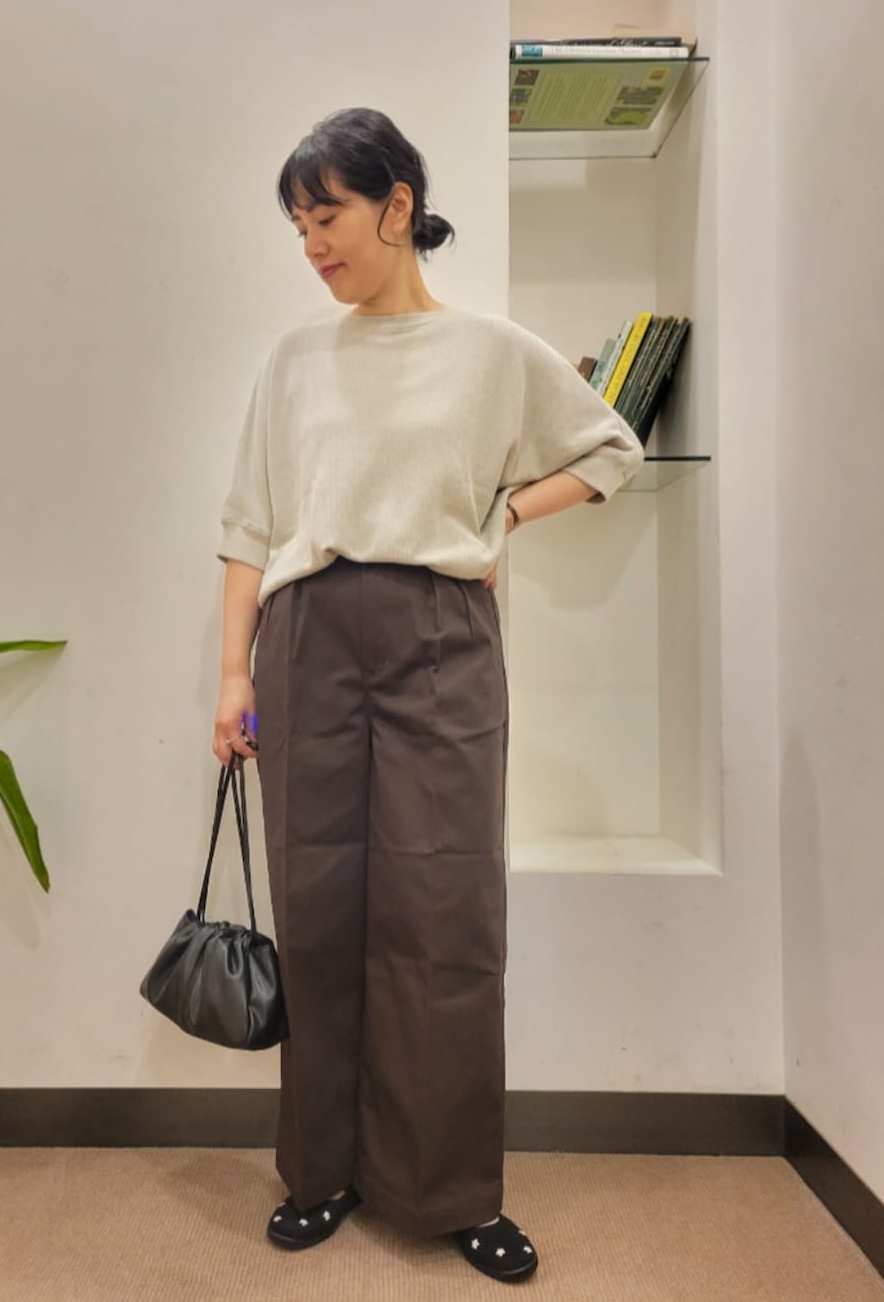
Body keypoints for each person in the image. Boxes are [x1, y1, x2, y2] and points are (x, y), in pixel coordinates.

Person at [213, 107, 644, 1285]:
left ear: (397, 206)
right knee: (318, 907)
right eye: (299, 226)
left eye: (328, 216)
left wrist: (502, 514)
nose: (312, 245)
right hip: (308, 638)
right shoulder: (293, 361)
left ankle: (450, 1188)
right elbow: (248, 525)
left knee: (444, 914)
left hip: (442, 635)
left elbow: (610, 448)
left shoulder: (491, 351)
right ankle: (321, 1171)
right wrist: (233, 672)